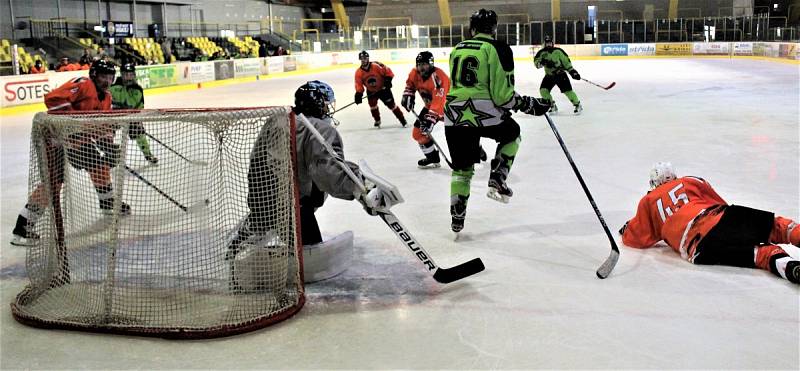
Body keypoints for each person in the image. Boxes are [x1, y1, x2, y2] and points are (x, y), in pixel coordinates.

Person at [224, 81, 397, 284]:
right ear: (317, 103)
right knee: (311, 251)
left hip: (261, 199)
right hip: (292, 208)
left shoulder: (278, 118)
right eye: (325, 103)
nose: (328, 108)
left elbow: (259, 161)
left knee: (275, 202)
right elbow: (328, 170)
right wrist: (360, 188)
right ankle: (295, 235)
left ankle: (252, 228)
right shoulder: (319, 129)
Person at [444, 9, 550, 233]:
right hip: (484, 113)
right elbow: (503, 96)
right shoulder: (499, 48)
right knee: (512, 132)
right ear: (494, 28)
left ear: (472, 28)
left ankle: (457, 215)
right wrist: (528, 104)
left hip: (453, 115)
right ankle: (498, 177)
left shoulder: (457, 48)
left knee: (462, 170)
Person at [11, 60, 130, 246]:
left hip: (78, 140)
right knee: (53, 183)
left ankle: (107, 203)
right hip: (53, 140)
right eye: (102, 76)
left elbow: (101, 125)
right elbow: (53, 99)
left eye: (109, 77)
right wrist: (70, 127)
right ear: (93, 75)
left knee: (100, 165)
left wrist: (107, 143)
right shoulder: (83, 84)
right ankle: (23, 227)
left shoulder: (106, 97)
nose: (106, 81)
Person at [620, 162, 800, 284]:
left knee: (760, 255)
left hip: (698, 250)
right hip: (717, 219)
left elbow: (635, 239)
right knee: (779, 228)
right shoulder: (689, 180)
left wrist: (628, 227)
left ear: (653, 183)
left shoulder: (648, 202)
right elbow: (719, 203)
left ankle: (791, 268)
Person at [401, 51, 450, 168]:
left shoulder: (439, 77)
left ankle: (477, 150)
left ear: (431, 64)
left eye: (424, 64)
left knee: (462, 135)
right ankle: (433, 157)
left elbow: (439, 101)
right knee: (418, 133)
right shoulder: (414, 73)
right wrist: (408, 95)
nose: (421, 67)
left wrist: (431, 119)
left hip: (449, 109)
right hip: (430, 108)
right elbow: (410, 85)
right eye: (419, 64)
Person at [109, 63, 158, 164]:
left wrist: (137, 118)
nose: (128, 77)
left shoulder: (137, 89)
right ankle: (110, 153)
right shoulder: (113, 87)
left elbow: (138, 105)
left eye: (131, 74)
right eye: (126, 75)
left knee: (139, 134)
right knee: (107, 132)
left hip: (131, 116)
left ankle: (148, 155)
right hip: (114, 116)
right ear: (121, 75)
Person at [353, 50, 407, 128]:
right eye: (362, 59)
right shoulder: (358, 72)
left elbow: (388, 72)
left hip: (383, 89)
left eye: (365, 58)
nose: (364, 60)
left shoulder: (376, 66)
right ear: (360, 60)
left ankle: (402, 119)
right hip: (371, 91)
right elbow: (358, 84)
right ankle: (377, 120)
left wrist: (388, 80)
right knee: (373, 106)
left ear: (368, 58)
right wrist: (358, 94)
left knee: (392, 105)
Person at [533, 35, 583, 115]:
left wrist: (572, 71)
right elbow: (536, 64)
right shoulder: (541, 53)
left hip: (561, 75)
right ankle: (552, 106)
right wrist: (542, 63)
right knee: (543, 90)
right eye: (547, 43)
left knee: (567, 91)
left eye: (550, 43)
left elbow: (566, 62)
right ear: (544, 44)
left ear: (552, 43)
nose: (548, 45)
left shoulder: (558, 51)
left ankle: (577, 104)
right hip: (549, 76)